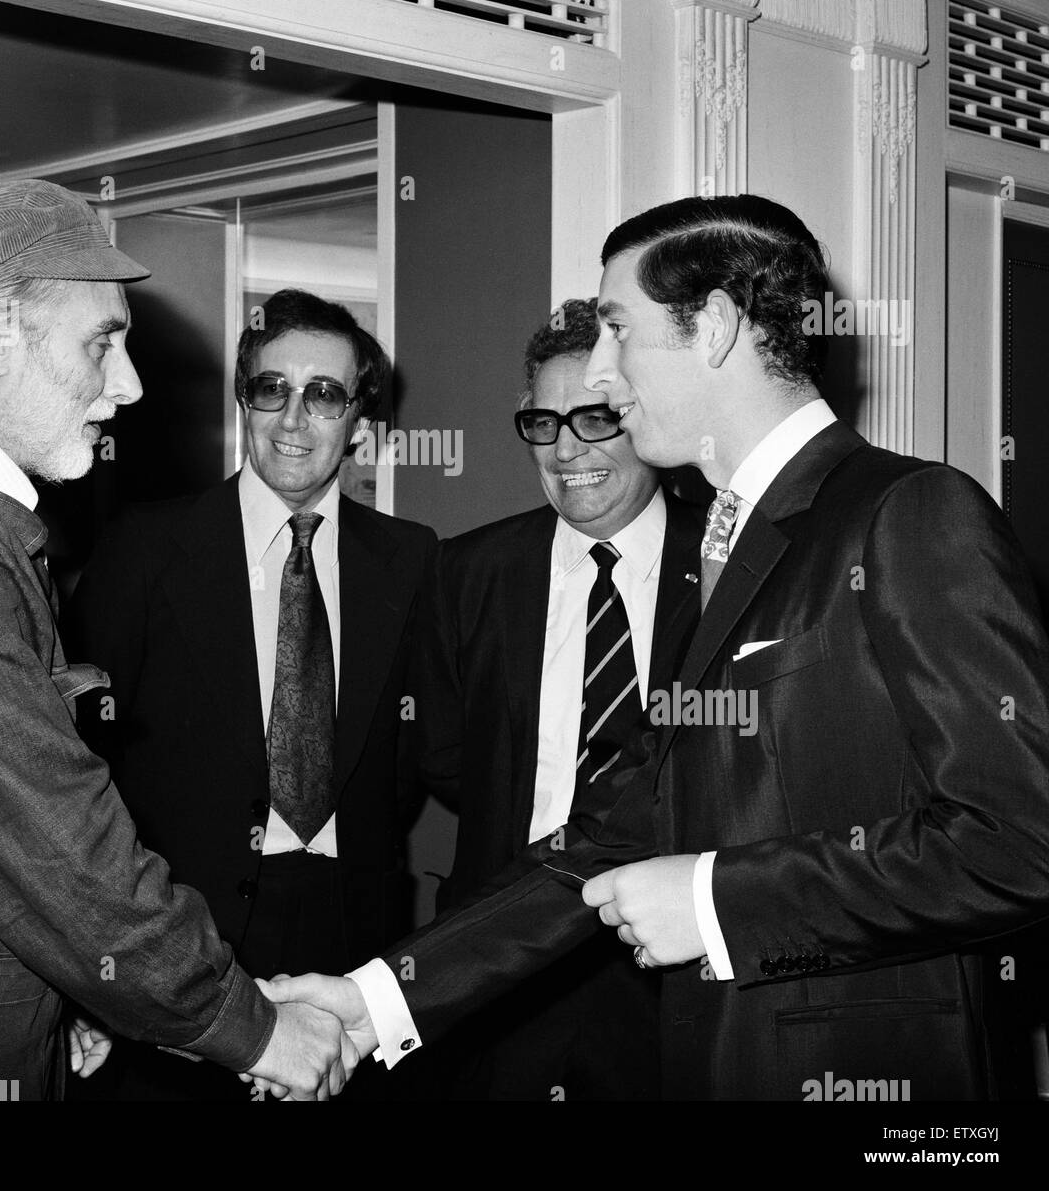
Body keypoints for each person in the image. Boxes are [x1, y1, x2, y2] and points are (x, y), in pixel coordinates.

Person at [262, 194, 1049, 1101]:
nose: (600, 372)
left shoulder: (910, 513)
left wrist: (718, 900)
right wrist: (373, 1003)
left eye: (618, 330)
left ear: (713, 327)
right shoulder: (727, 542)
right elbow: (609, 832)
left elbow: (1017, 842)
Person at [0, 180, 351, 1101]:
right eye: (101, 343)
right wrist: (252, 1029)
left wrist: (62, 993)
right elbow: (50, 839)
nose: (130, 383)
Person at [65, 288, 436, 1099]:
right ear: (244, 401)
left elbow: (414, 753)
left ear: (360, 421)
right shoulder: (146, 548)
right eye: (271, 389)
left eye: (325, 394)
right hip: (179, 928)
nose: (293, 419)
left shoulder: (411, 561)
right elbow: (79, 761)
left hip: (353, 930)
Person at [416, 299, 703, 1099]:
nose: (567, 449)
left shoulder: (728, 564)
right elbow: (443, 755)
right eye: (545, 423)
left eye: (595, 418)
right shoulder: (469, 571)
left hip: (667, 956)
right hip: (502, 955)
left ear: (642, 417)